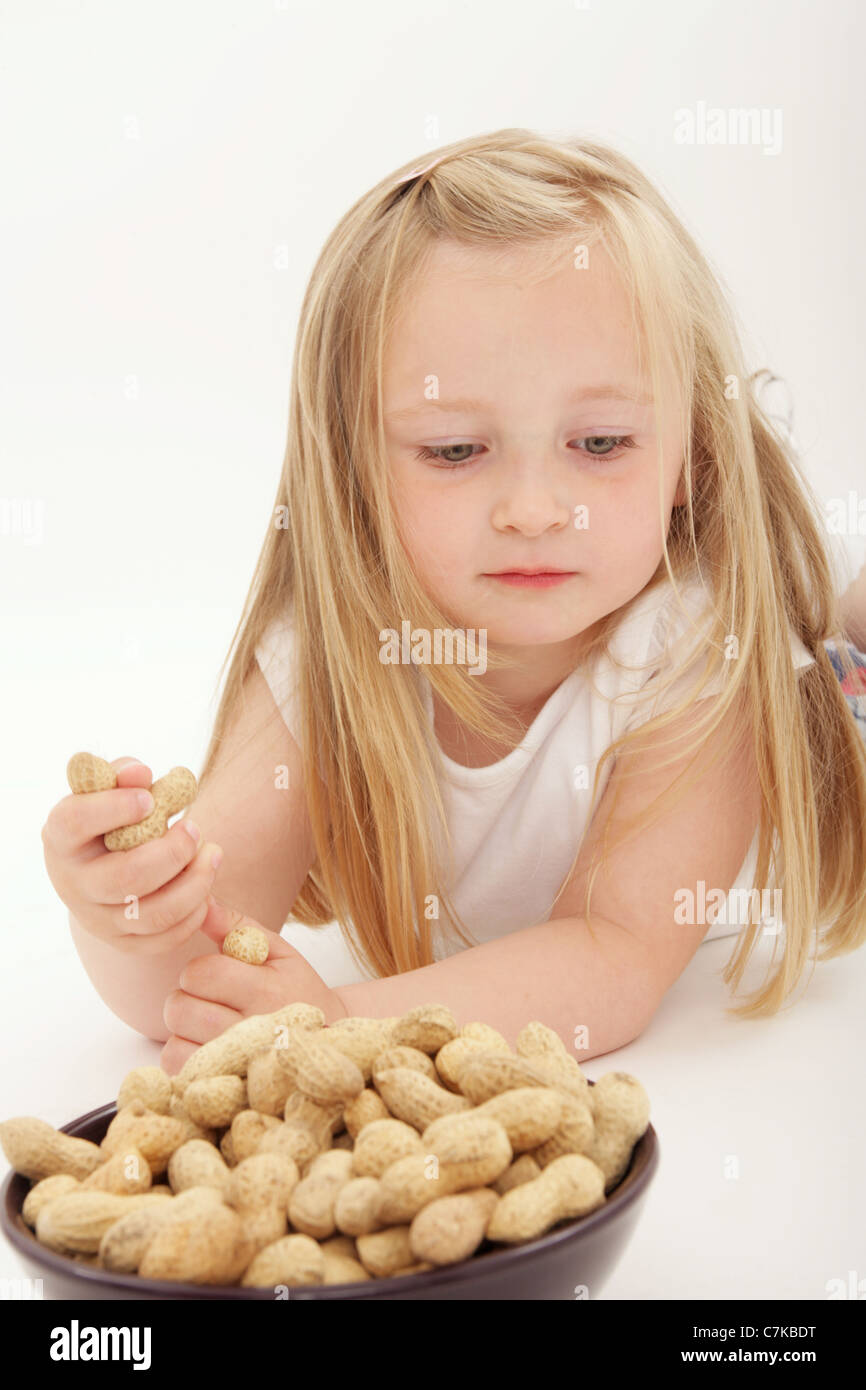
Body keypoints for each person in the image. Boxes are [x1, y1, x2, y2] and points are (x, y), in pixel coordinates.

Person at [43, 129, 866, 1074]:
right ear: (354, 470)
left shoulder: (692, 644)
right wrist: (127, 913)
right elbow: (181, 992)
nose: (532, 511)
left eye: (600, 444)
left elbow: (615, 955)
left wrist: (341, 1018)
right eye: (455, 451)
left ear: (691, 456)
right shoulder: (337, 656)